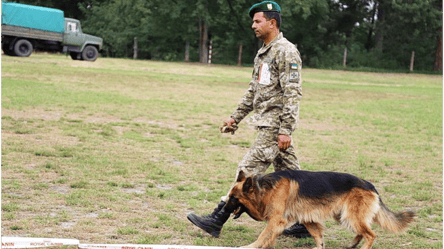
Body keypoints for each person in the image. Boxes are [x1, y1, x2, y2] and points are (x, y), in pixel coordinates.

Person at [187, 0, 310, 239]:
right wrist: (236, 117)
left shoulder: (286, 50)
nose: (253, 25)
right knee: (293, 175)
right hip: (265, 122)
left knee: (247, 171)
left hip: (275, 127)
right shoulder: (264, 52)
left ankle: (217, 219)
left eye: (257, 21)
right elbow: (254, 90)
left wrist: (286, 129)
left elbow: (292, 92)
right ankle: (306, 221)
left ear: (272, 23)